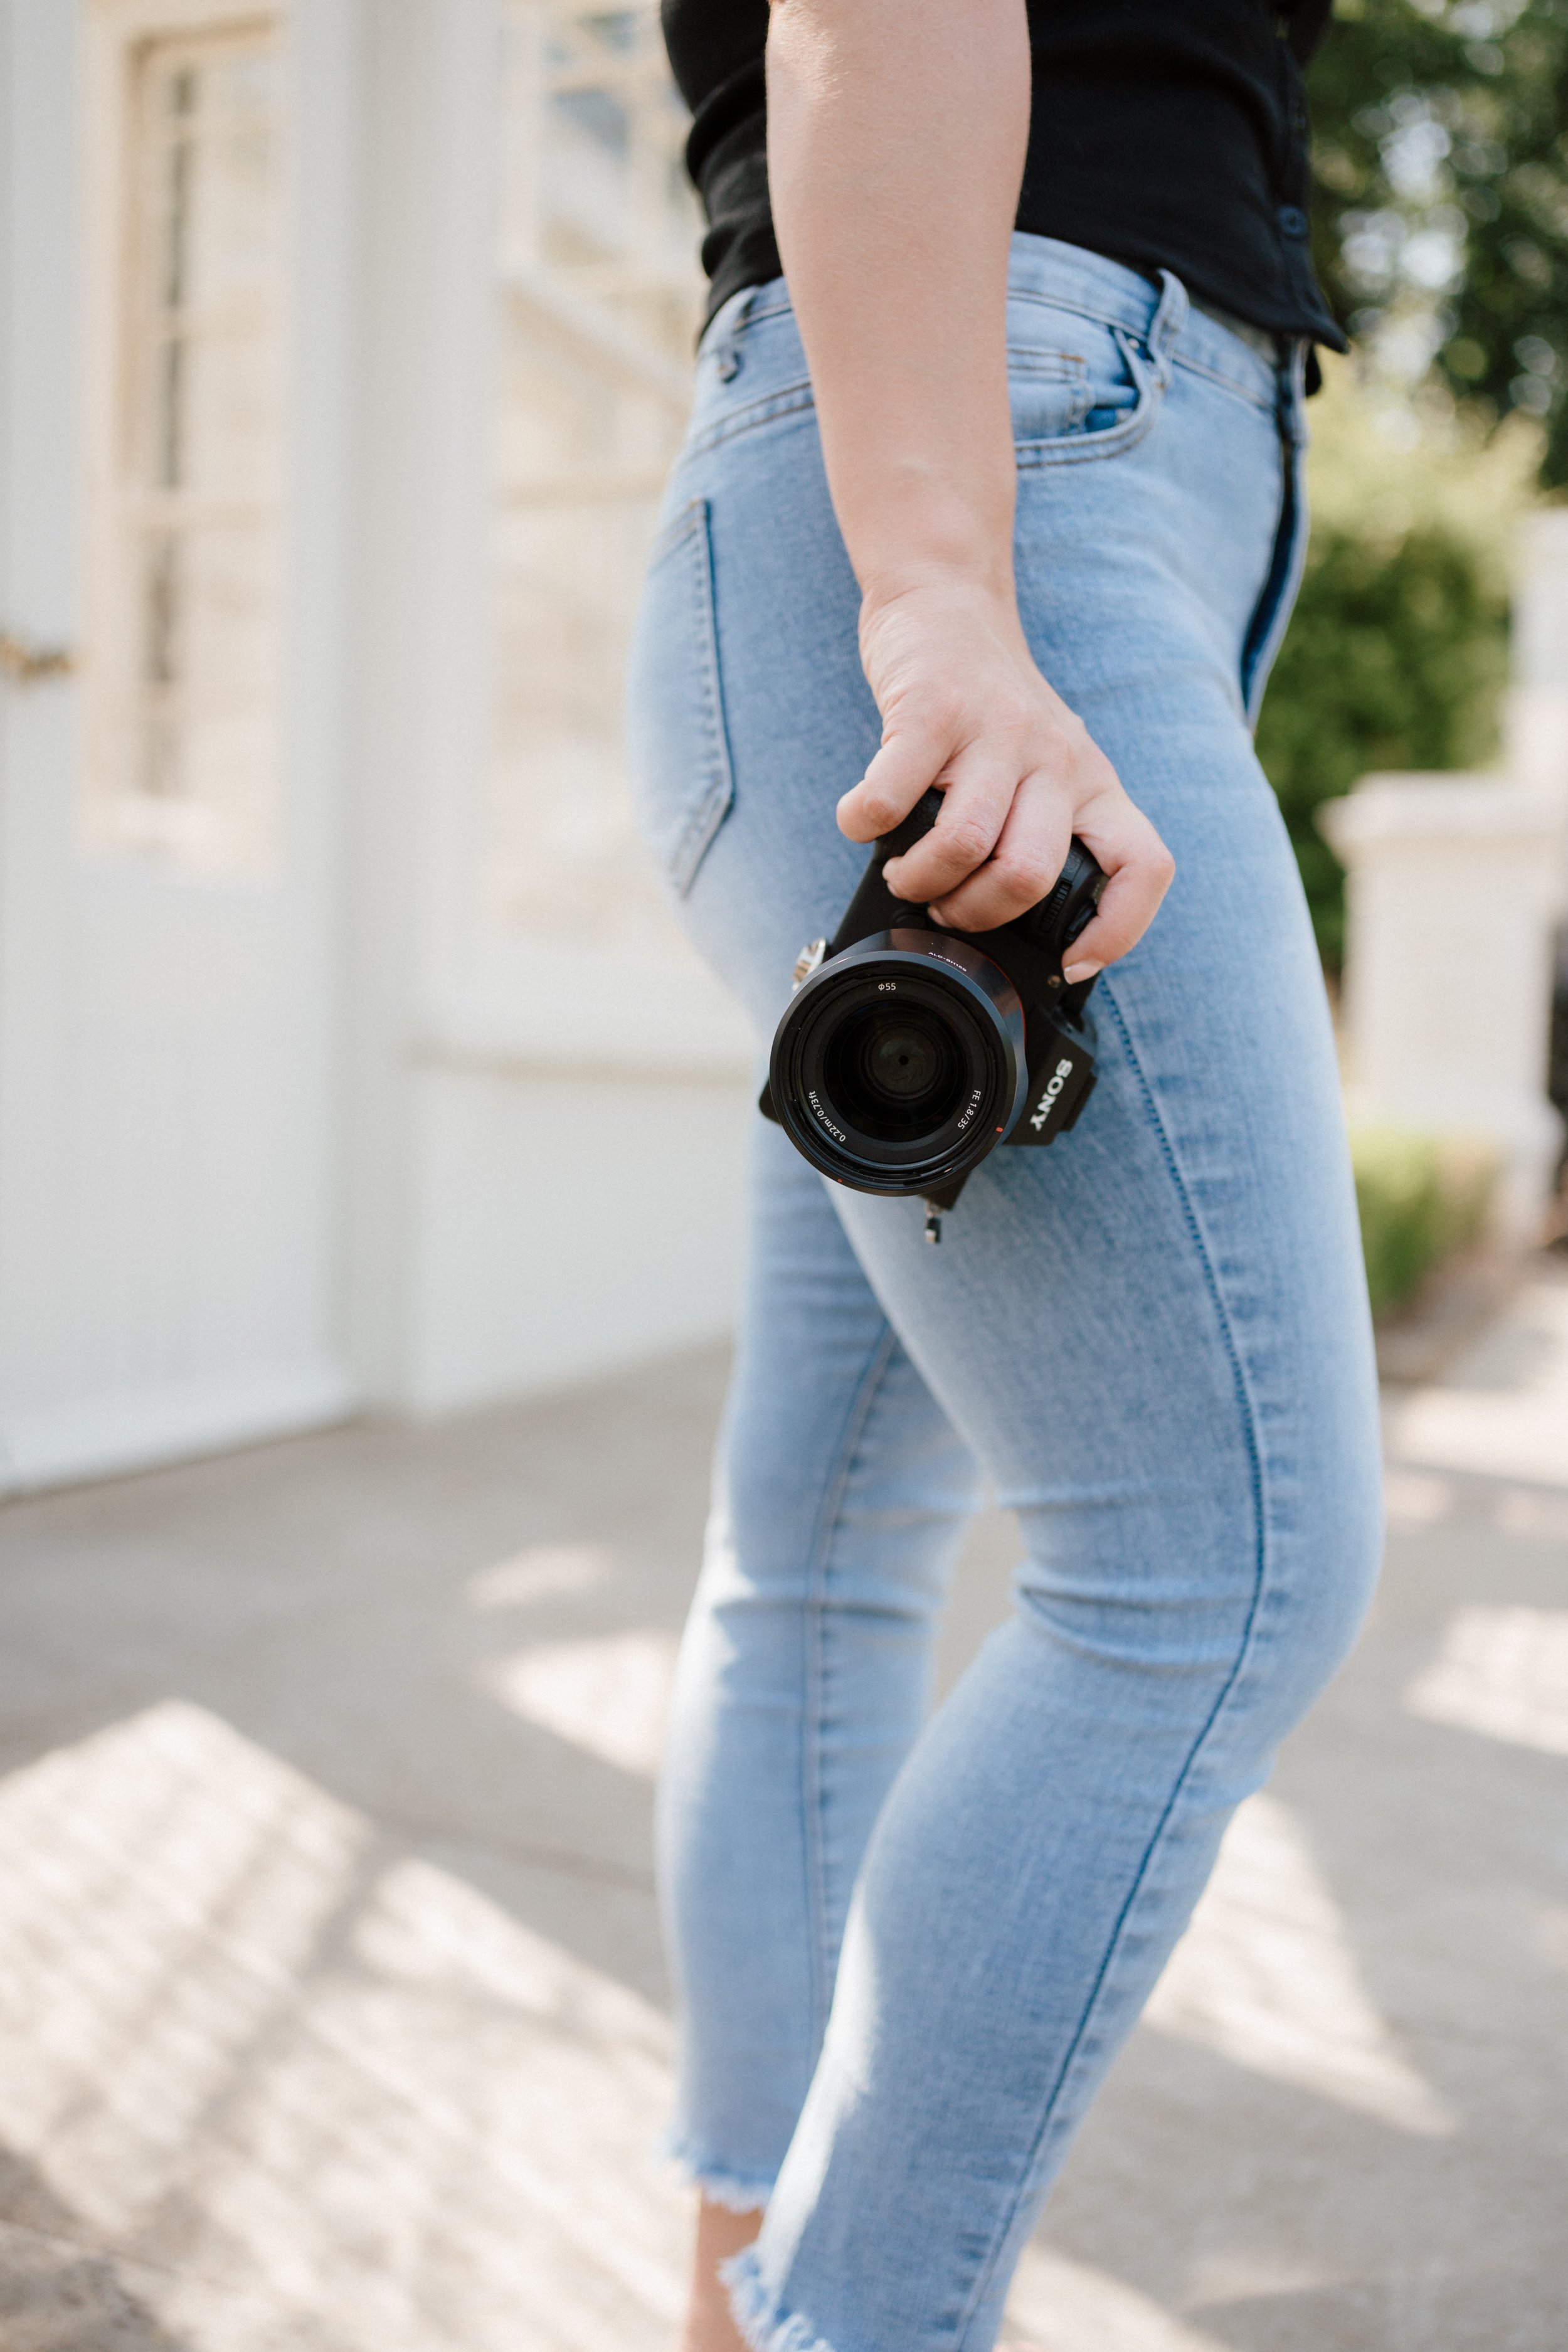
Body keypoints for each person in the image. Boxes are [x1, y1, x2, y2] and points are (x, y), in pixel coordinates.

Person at [625, 5, 1384, 2348]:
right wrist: (942, 588)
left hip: (976, 446)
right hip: (986, 465)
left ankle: (740, 2298)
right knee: (1213, 1567)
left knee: (822, 1530)